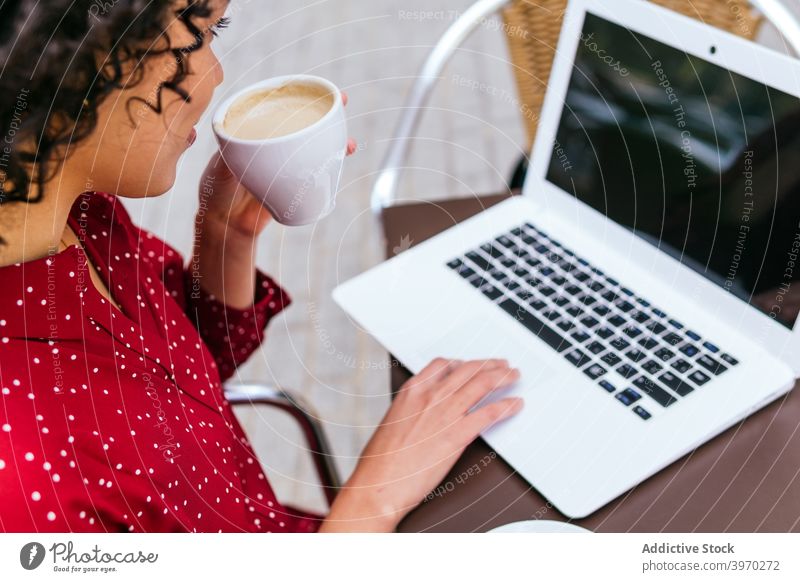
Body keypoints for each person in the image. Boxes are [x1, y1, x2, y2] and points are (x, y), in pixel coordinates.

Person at [0, 0, 523, 532]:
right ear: (73, 66)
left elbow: (179, 380)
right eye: (195, 37)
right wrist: (375, 499)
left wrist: (227, 231)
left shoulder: (81, 214)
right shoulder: (25, 491)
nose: (214, 73)